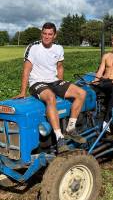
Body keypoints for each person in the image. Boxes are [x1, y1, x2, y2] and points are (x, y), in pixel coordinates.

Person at [13, 22, 87, 152]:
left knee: (81, 93)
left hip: (54, 81)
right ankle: (59, 138)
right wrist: (22, 92)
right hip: (37, 83)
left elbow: (59, 67)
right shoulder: (33, 47)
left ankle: (70, 128)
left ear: (54, 35)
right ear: (41, 33)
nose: (46, 37)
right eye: (44, 34)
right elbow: (26, 70)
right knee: (51, 97)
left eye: (50, 34)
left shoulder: (59, 48)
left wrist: (62, 84)